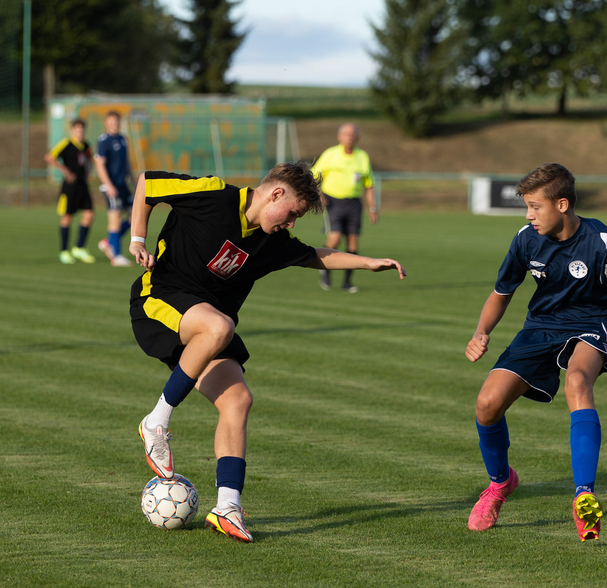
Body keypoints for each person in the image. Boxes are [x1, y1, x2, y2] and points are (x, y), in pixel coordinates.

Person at [129, 162, 406, 543]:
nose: (292, 222)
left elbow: (314, 255)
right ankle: (156, 423)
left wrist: (367, 262)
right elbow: (148, 182)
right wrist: (137, 239)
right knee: (220, 326)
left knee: (238, 400)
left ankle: (227, 507)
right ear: (275, 194)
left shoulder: (270, 241)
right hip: (159, 299)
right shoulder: (214, 194)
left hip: (207, 328)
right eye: (293, 213)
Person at [464, 163, 607, 542]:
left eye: (534, 207)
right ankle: (499, 484)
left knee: (578, 381)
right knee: (487, 404)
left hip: (595, 323)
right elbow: (502, 292)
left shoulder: (605, 246)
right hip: (542, 326)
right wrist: (482, 332)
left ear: (561, 204)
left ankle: (584, 495)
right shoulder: (526, 238)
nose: (529, 215)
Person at [312, 122, 378, 293]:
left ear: (357, 137)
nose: (350, 136)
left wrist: (373, 208)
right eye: (346, 133)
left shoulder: (362, 156)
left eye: (353, 134)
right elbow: (314, 176)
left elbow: (369, 185)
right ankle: (324, 268)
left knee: (353, 242)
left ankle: (347, 282)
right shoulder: (331, 154)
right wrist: (319, 193)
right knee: (335, 238)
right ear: (339, 137)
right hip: (333, 202)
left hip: (354, 203)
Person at [44, 118, 96, 264]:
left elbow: (90, 159)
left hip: (82, 185)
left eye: (82, 129)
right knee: (67, 217)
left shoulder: (86, 145)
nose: (80, 131)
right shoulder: (66, 144)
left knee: (89, 214)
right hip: (70, 187)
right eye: (77, 129)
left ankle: (79, 248)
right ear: (72, 130)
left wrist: (88, 171)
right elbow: (49, 157)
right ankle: (64, 251)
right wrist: (65, 171)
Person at [95, 110, 135, 267]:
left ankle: (109, 242)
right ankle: (116, 256)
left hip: (123, 185)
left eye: (116, 121)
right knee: (115, 219)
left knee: (134, 218)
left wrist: (135, 182)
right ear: (106, 123)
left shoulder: (123, 139)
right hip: (111, 186)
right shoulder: (104, 141)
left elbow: (127, 163)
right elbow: (100, 165)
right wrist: (109, 185)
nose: (114, 124)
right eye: (111, 122)